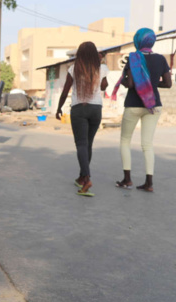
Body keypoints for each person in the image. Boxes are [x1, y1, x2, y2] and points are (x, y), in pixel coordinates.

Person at [112, 28, 172, 193]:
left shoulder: (133, 58)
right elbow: (168, 84)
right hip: (153, 105)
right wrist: (151, 85)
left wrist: (126, 82)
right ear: (151, 41)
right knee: (147, 144)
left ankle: (127, 179)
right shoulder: (161, 59)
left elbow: (130, 84)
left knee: (125, 141)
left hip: (133, 104)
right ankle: (149, 183)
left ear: (137, 41)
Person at [56, 42, 109, 197]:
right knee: (88, 144)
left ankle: (86, 179)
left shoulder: (74, 69)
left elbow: (65, 91)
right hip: (96, 109)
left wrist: (59, 108)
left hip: (79, 109)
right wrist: (101, 69)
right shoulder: (102, 68)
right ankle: (81, 176)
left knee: (81, 144)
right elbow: (104, 87)